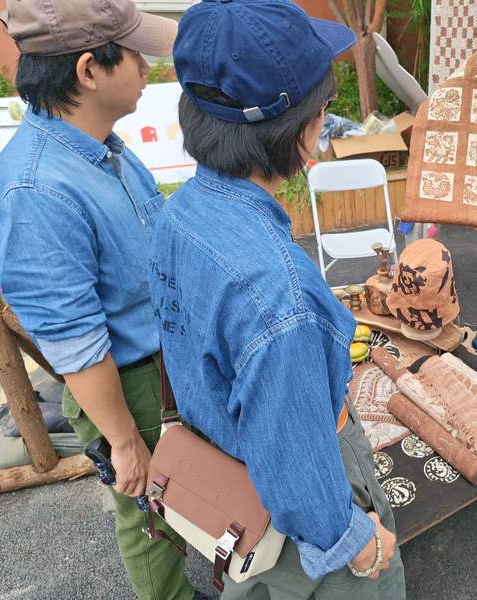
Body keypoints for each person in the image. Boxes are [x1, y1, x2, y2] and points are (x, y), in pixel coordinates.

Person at [149, 0, 406, 598]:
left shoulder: (179, 213)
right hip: (285, 503)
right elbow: (297, 473)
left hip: (223, 467)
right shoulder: (282, 297)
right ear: (307, 130)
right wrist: (359, 546)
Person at [0, 1, 204, 598]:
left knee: (187, 494)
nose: (145, 66)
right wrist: (123, 439)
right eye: (134, 54)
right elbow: (74, 340)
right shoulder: (36, 189)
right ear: (89, 70)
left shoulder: (99, 144)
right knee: (148, 515)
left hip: (160, 364)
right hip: (124, 383)